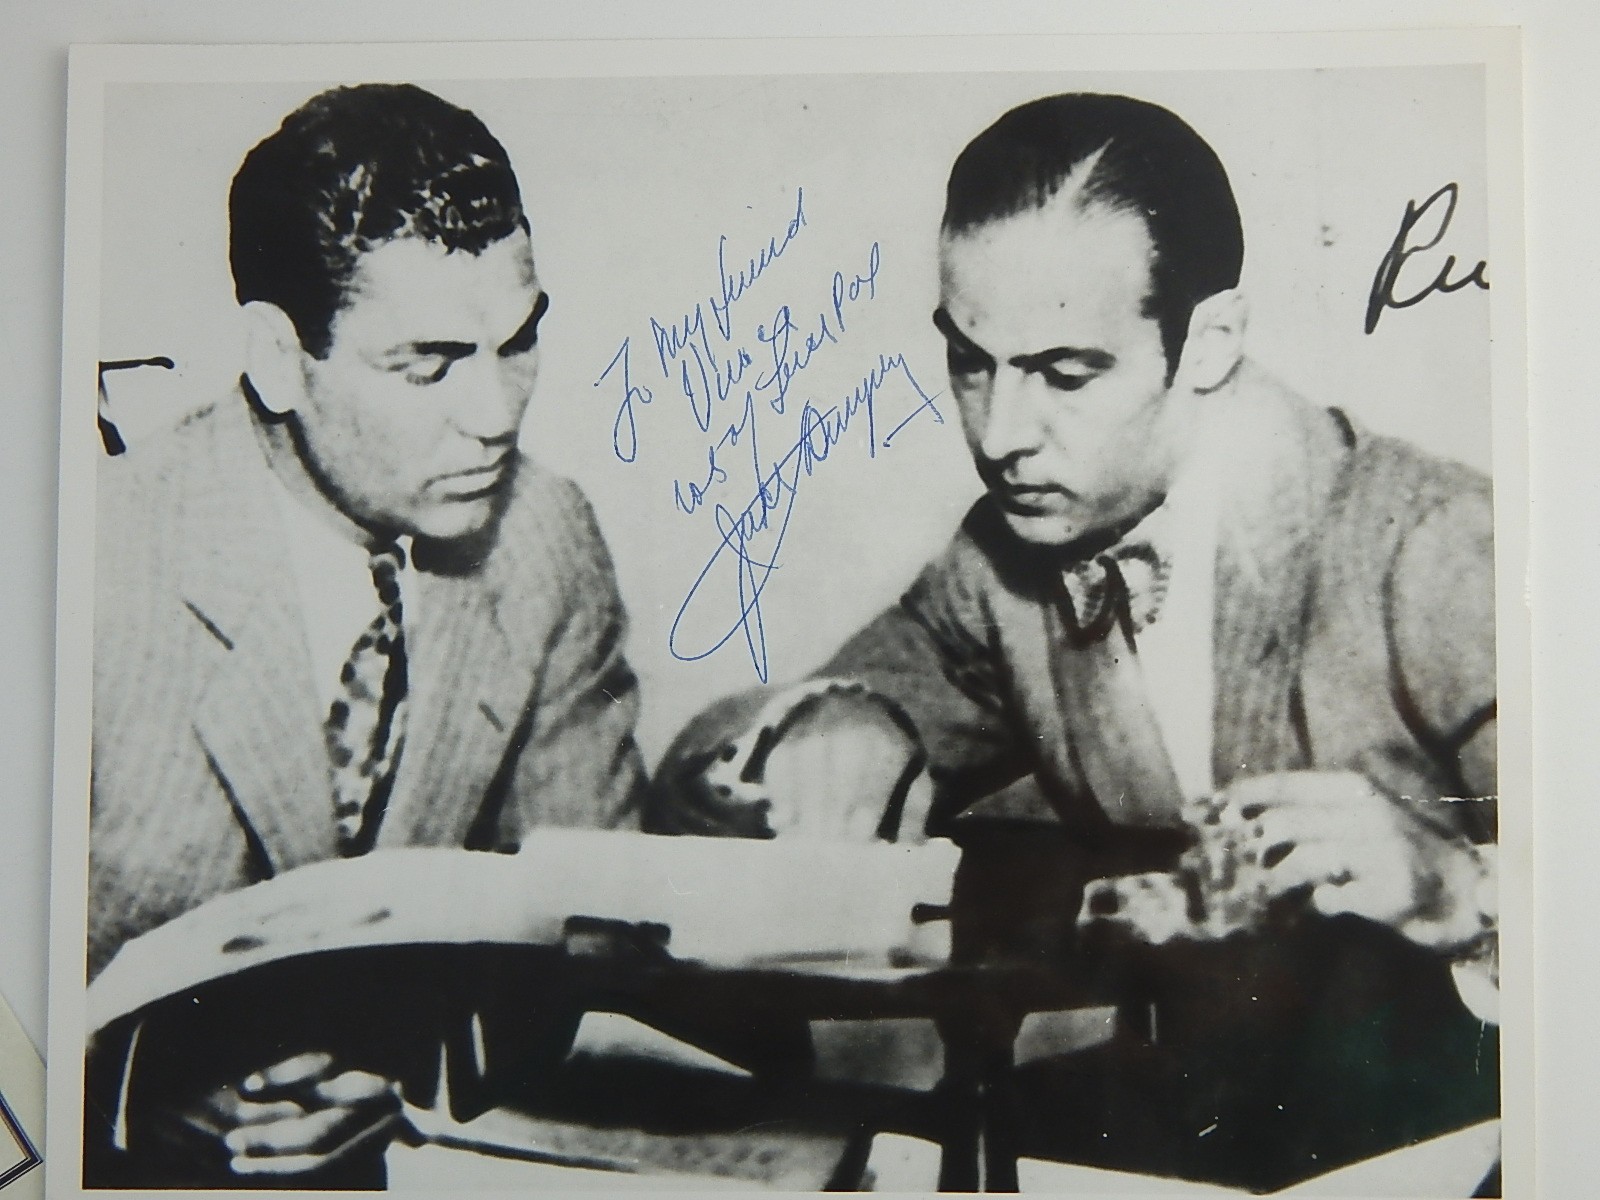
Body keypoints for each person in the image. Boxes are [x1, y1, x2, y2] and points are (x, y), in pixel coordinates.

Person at [650, 92, 1499, 1191]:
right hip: (1205, 1139)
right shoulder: (1001, 566)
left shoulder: (1430, 545)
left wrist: (1459, 896)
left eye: (1064, 373)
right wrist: (829, 726)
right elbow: (697, 783)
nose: (1001, 435)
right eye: (971, 362)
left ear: (1209, 342)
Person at [88, 83, 647, 1186]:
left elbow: (595, 951)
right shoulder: (94, 557)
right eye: (427, 363)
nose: (496, 413)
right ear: (278, 355)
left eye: (518, 342)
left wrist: (411, 1088)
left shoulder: (545, 540)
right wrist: (123, 1098)